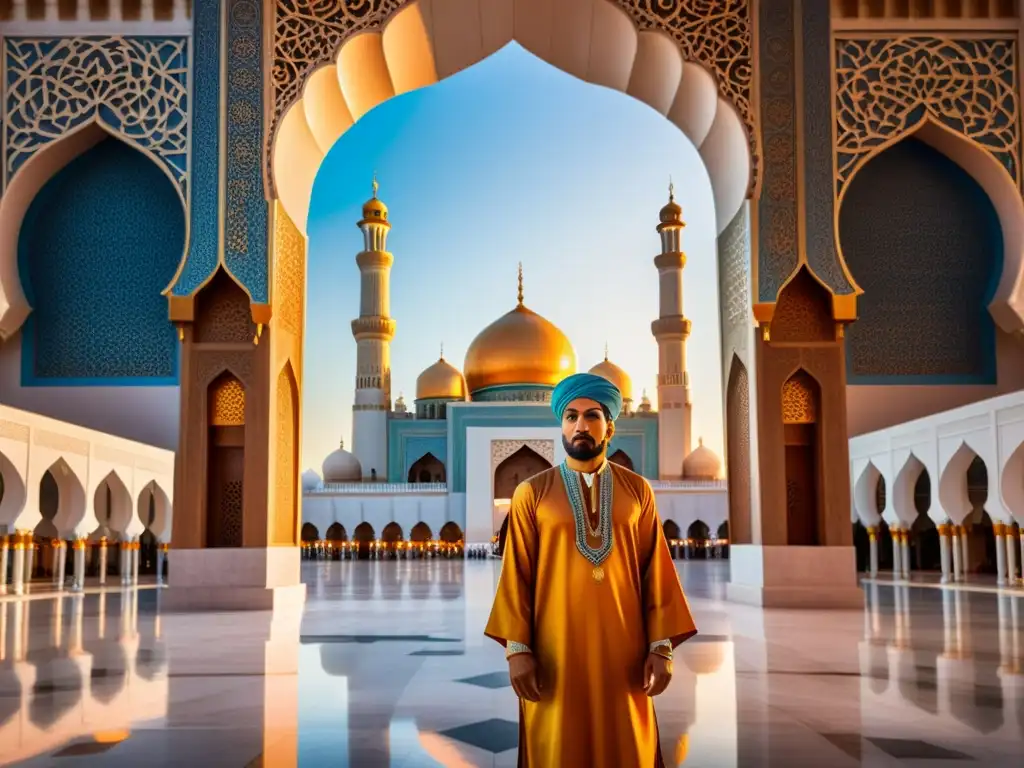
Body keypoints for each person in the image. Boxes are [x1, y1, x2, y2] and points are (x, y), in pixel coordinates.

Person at [485, 372, 697, 767]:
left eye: (592, 415)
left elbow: (657, 570)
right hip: (554, 654)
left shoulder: (637, 491)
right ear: (560, 425)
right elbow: (517, 574)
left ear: (609, 426)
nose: (580, 425)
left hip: (625, 654)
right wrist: (518, 649)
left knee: (629, 747)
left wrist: (661, 646)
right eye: (570, 416)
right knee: (557, 749)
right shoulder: (532, 492)